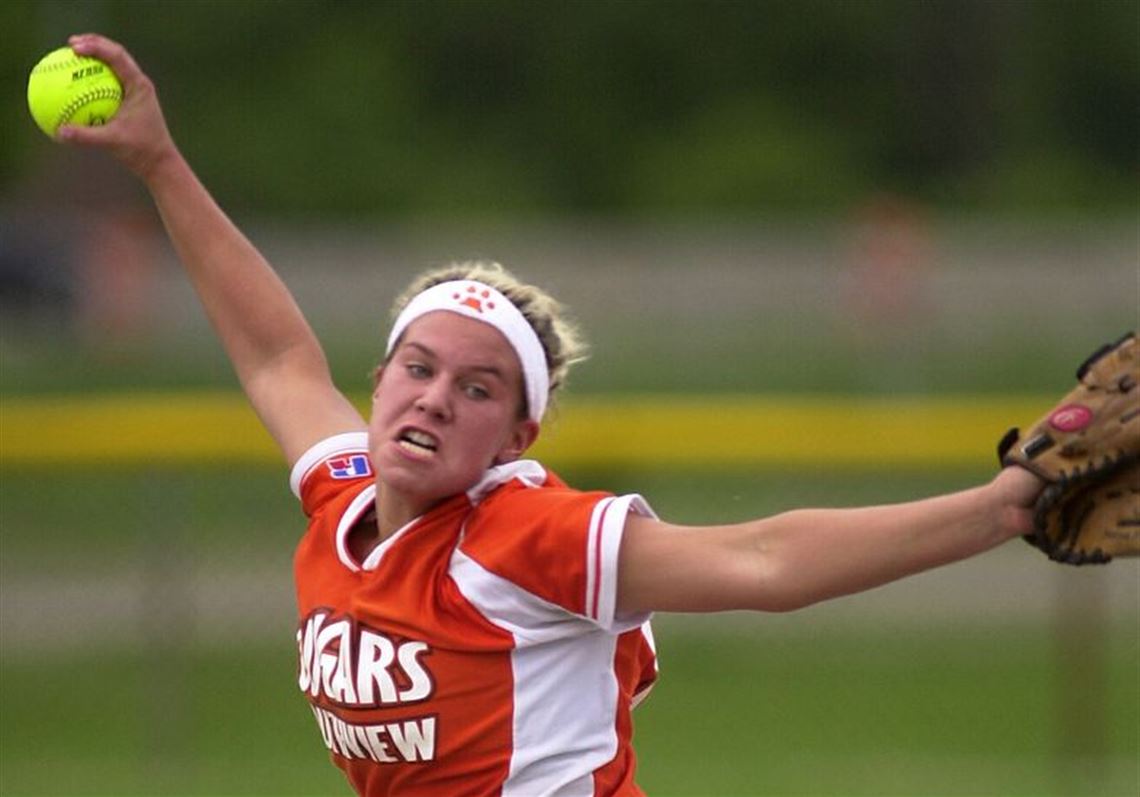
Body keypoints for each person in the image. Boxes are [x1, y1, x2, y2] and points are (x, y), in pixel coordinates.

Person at [58, 33, 1045, 797]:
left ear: (517, 438)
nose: (436, 396)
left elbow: (765, 560)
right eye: (419, 366)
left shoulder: (526, 537)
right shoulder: (342, 495)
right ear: (382, 378)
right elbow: (276, 356)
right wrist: (159, 163)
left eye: (478, 388)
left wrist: (1001, 505)